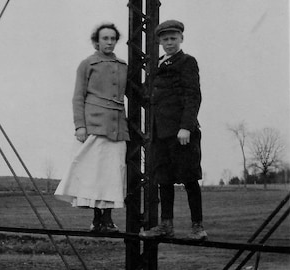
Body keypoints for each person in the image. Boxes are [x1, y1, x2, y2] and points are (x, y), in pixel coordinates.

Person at [54, 23, 129, 233]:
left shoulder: (123, 65)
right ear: (97, 41)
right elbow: (78, 97)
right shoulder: (87, 64)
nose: (109, 42)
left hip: (117, 128)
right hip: (94, 126)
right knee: (93, 174)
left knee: (113, 174)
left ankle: (108, 218)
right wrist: (80, 126)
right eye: (105, 38)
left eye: (113, 38)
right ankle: (97, 220)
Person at [139, 20, 208, 240]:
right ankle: (166, 226)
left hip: (181, 133)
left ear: (181, 39)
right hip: (161, 133)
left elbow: (193, 95)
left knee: (189, 179)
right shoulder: (158, 65)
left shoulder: (187, 62)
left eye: (173, 38)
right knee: (164, 180)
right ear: (159, 41)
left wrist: (186, 127)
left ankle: (198, 227)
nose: (169, 43)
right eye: (165, 39)